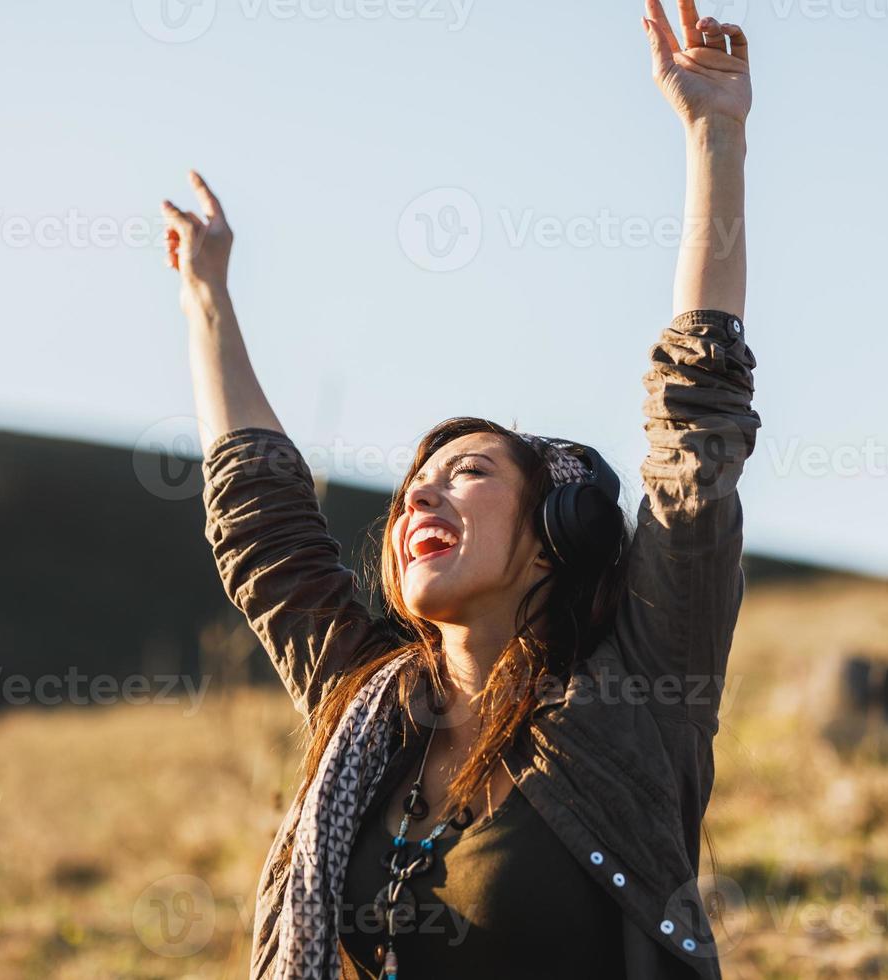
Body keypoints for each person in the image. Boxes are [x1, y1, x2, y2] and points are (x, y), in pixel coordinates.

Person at [159, 2, 760, 977]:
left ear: (551, 532)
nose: (417, 502)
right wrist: (206, 300)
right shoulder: (370, 707)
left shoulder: (634, 698)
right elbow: (262, 531)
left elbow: (696, 427)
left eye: (468, 473)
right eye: (412, 488)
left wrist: (715, 138)